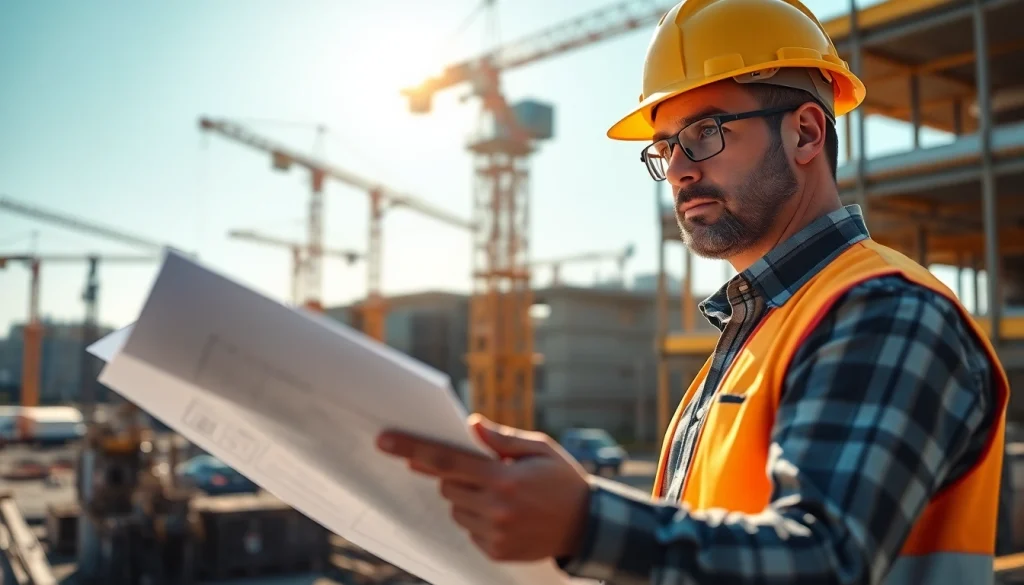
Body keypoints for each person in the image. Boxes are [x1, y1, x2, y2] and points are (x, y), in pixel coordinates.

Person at [376, 0, 1011, 582]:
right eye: (665, 146)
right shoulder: (753, 338)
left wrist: (586, 523)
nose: (678, 168)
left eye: (705, 132)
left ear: (806, 134)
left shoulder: (886, 310)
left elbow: (824, 562)